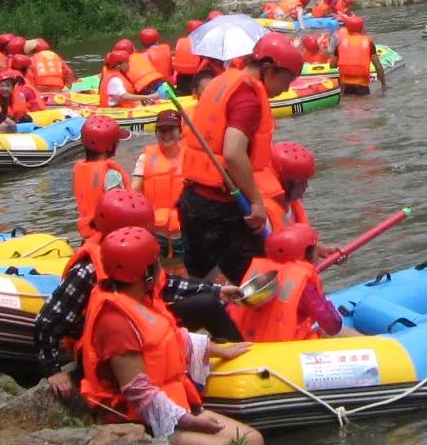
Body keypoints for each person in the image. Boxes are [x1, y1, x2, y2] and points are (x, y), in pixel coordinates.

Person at [79, 226, 263, 445]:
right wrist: (187, 420)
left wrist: (218, 350)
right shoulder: (116, 322)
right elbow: (138, 391)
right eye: (156, 263)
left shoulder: (139, 297)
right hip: (144, 420)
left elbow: (168, 338)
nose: (161, 268)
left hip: (172, 407)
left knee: (253, 441)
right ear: (145, 272)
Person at [35, 188, 244, 400]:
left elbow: (165, 284)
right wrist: (53, 370)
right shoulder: (86, 271)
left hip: (139, 323)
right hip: (110, 344)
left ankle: (241, 354)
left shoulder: (138, 255)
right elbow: (46, 321)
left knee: (207, 304)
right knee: (200, 309)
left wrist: (215, 289)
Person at [178, 32, 304, 282]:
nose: (286, 89)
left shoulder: (221, 81)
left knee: (202, 282)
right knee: (259, 282)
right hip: (220, 208)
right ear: (269, 69)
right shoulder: (248, 97)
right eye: (287, 80)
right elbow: (234, 153)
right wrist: (257, 203)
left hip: (191, 200)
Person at [231, 225, 349, 342]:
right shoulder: (303, 285)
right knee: (338, 332)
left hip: (247, 345)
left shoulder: (257, 274)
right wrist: (321, 296)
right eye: (316, 248)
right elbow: (333, 326)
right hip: (286, 350)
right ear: (308, 253)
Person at [72, 116, 132, 241]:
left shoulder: (79, 169)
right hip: (108, 238)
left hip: (87, 236)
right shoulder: (111, 174)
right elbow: (117, 211)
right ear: (110, 147)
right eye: (117, 141)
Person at [134, 109, 185, 238]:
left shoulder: (191, 158)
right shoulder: (144, 159)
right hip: (155, 232)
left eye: (171, 129)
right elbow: (133, 192)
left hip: (185, 231)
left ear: (180, 132)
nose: (166, 134)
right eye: (162, 130)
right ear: (156, 133)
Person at [333, 15, 389, 96]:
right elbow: (378, 67)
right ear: (362, 28)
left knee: (347, 105)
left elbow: (332, 65)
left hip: (344, 86)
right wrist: (383, 84)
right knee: (363, 105)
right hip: (361, 86)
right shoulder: (368, 43)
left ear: (347, 28)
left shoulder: (340, 43)